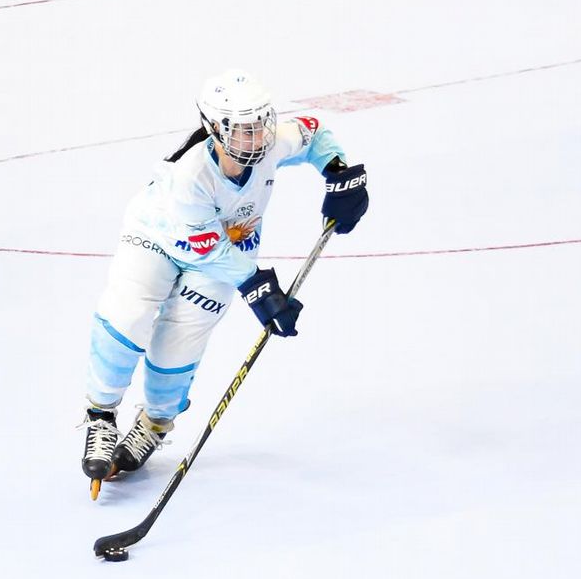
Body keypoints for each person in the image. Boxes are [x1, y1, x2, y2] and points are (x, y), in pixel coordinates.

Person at [81, 69, 368, 482]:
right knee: (128, 312)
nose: (255, 138)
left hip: (226, 249)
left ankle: (155, 424)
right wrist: (259, 288)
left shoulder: (270, 143)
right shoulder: (190, 176)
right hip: (158, 237)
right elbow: (207, 249)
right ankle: (101, 416)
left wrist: (338, 171)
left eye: (259, 125)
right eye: (241, 130)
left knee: (180, 340)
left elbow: (314, 132)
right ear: (214, 129)